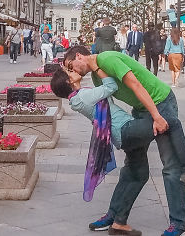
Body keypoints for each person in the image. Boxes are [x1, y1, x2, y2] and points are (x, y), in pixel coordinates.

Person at [63, 47, 185, 236]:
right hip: (140, 110)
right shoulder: (96, 75)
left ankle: (179, 224)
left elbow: (135, 85)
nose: (73, 71)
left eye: (71, 66)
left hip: (159, 102)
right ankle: (116, 216)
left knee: (170, 166)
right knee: (134, 168)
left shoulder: (107, 59)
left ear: (79, 56)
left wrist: (157, 116)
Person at [52, 67, 158, 235]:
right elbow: (111, 87)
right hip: (126, 130)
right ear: (69, 81)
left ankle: (114, 217)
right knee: (166, 122)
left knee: (134, 174)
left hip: (123, 133)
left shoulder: (79, 96)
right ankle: (119, 220)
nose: (73, 70)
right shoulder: (83, 97)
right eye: (69, 72)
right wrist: (97, 67)